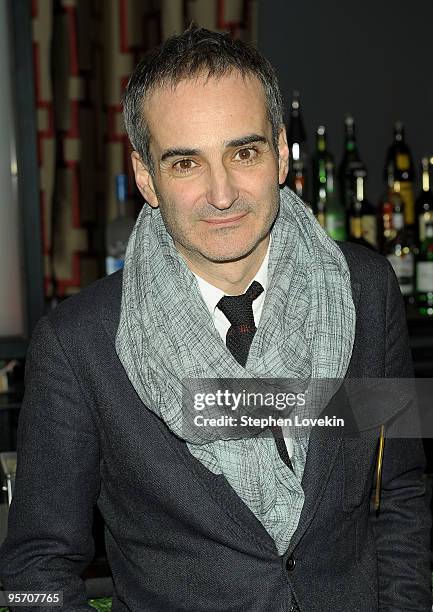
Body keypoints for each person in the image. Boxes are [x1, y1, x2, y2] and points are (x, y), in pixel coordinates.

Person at [0, 25, 431, 612]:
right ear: (147, 177)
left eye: (243, 152)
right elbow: (34, 572)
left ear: (281, 153)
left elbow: (400, 492)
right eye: (186, 164)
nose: (222, 193)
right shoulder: (78, 345)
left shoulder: (366, 289)